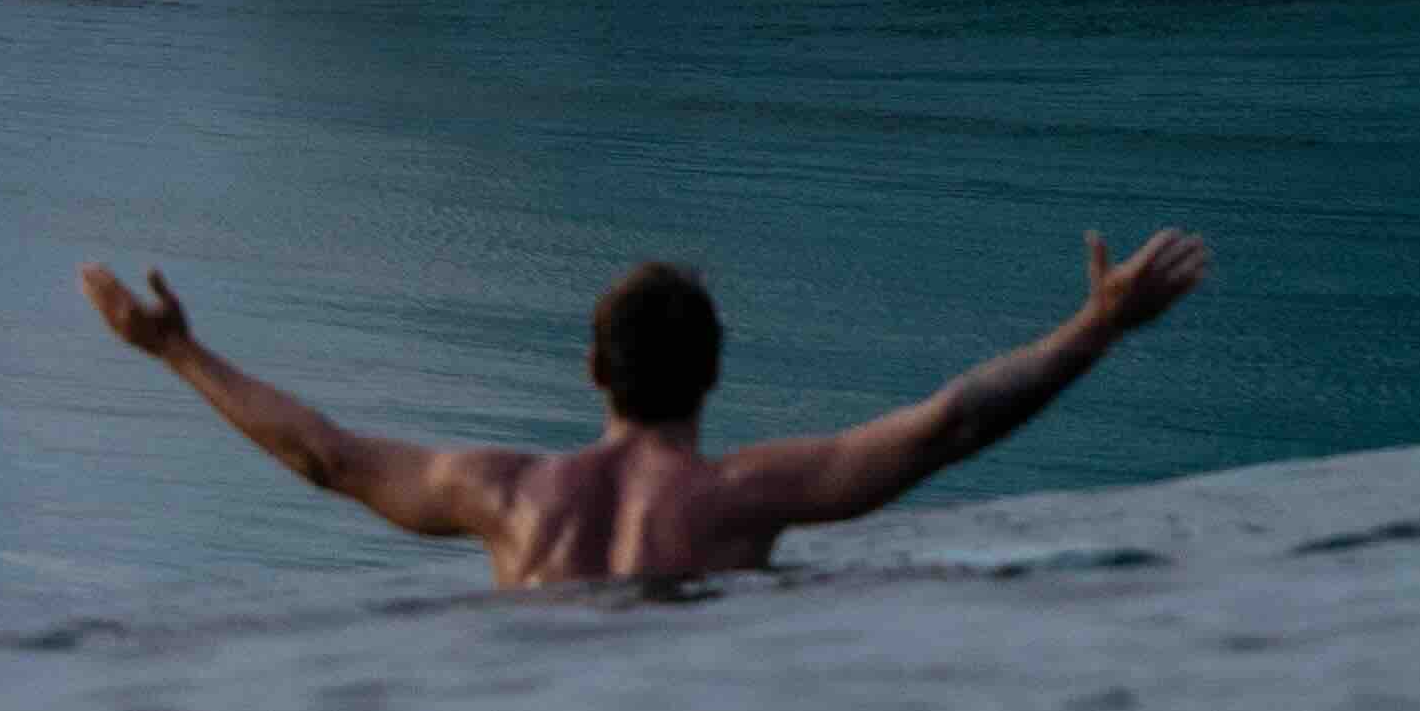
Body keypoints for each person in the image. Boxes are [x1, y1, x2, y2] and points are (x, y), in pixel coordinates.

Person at [76, 233, 1213, 591]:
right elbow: (947, 424)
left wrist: (178, 351)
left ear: (591, 372)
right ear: (713, 375)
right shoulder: (742, 497)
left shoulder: (504, 496)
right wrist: (1095, 326)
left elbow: (324, 456)